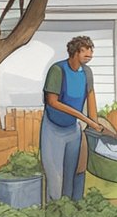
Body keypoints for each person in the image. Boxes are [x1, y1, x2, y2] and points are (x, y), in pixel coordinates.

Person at [41, 35, 104, 202]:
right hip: (53, 130)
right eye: (85, 50)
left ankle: (69, 214)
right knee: (55, 179)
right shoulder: (58, 70)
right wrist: (85, 119)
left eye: (91, 50)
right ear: (75, 52)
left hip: (72, 130)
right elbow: (52, 102)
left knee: (71, 175)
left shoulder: (87, 73)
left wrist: (94, 123)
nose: (89, 54)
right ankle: (53, 214)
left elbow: (91, 98)